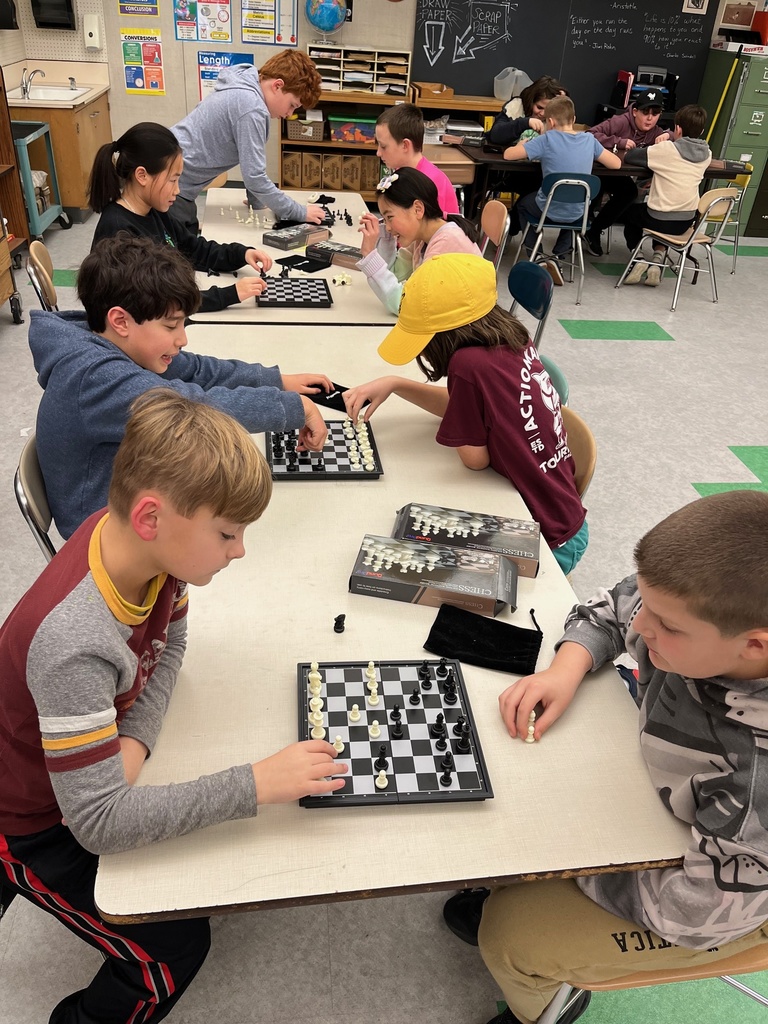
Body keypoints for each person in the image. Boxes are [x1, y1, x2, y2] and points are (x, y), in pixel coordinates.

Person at [0, 388, 348, 1024]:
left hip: (84, 761)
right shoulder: (72, 643)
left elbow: (171, 639)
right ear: (153, 517)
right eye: (227, 533)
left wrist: (130, 742)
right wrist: (255, 783)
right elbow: (98, 822)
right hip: (28, 818)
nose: (239, 550)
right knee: (172, 948)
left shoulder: (146, 555)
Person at [442, 489, 768, 1024]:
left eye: (666, 627)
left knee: (512, 932)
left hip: (729, 899)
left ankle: (544, 1007)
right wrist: (564, 669)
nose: (642, 629)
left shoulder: (756, 782)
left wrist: (555, 868)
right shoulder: (692, 617)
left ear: (754, 646)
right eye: (650, 608)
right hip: (683, 815)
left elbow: (695, 914)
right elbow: (617, 607)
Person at [28, 234, 331, 540]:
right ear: (120, 321)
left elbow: (198, 371)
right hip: (103, 532)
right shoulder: (95, 378)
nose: (182, 338)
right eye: (171, 326)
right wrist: (293, 407)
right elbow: (192, 408)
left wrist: (275, 381)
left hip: (130, 487)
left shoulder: (115, 340)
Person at [343, 254, 589, 574]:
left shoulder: (467, 365)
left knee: (417, 559)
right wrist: (396, 384)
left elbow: (475, 460)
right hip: (567, 517)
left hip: (546, 539)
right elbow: (469, 407)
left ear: (441, 336)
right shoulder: (513, 336)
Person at [90, 122, 274, 314]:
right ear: (142, 176)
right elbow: (162, 302)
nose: (177, 190)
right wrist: (231, 294)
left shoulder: (154, 213)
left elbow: (195, 250)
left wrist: (241, 254)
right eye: (172, 180)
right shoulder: (118, 232)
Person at [168, 49, 326, 235]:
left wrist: (256, 202)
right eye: (292, 105)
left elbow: (250, 161)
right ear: (277, 86)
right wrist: (300, 212)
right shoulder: (252, 108)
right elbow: (255, 178)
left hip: (172, 176)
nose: (289, 114)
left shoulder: (246, 86)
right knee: (182, 253)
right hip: (169, 183)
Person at [503, 96, 621, 283]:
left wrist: (520, 145)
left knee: (523, 205)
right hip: (579, 214)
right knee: (574, 208)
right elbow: (616, 164)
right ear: (574, 119)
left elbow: (508, 155)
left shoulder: (547, 140)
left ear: (549, 122)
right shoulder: (589, 140)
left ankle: (537, 256)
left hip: (546, 210)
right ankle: (558, 257)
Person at [357, 166, 482, 315]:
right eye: (384, 219)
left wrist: (370, 255)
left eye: (389, 217)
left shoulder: (446, 242)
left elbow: (406, 305)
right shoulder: (422, 235)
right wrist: (385, 236)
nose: (388, 227)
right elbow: (395, 273)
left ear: (417, 209)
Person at [621, 104, 711, 286]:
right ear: (701, 130)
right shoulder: (706, 154)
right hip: (686, 220)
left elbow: (631, 157)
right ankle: (657, 258)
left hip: (658, 217)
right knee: (665, 218)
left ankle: (638, 258)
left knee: (630, 213)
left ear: (677, 128)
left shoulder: (666, 150)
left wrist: (666, 140)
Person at [585, 88, 671, 257]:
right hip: (599, 171)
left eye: (655, 113)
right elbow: (590, 134)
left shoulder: (656, 132)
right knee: (598, 188)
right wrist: (618, 141)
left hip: (620, 175)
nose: (649, 118)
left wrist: (668, 136)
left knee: (630, 192)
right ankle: (585, 226)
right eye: (645, 112)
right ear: (634, 111)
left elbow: (676, 137)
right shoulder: (620, 122)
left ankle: (594, 229)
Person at [374, 103, 460, 216]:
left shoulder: (430, 184)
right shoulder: (401, 172)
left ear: (405, 145)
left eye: (383, 146)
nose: (378, 153)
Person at [487, 76, 567, 149]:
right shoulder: (516, 106)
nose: (543, 114)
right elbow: (495, 136)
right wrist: (525, 123)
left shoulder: (556, 117)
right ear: (531, 101)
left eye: (549, 110)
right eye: (539, 107)